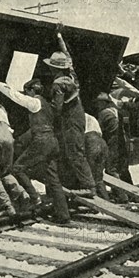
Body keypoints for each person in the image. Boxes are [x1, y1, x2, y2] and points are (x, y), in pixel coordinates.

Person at [0, 70, 71, 224]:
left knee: (17, 168)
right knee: (53, 178)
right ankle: (63, 215)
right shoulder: (48, 105)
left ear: (30, 91)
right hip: (52, 142)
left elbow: (12, 94)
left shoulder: (34, 102)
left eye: (27, 92)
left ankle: (35, 199)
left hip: (42, 141)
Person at [44, 31, 96, 198]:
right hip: (79, 114)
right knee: (76, 150)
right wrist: (59, 37)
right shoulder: (71, 75)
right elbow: (68, 55)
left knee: (75, 153)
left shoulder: (58, 83)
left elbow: (57, 108)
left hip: (70, 118)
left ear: (53, 68)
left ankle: (89, 187)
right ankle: (82, 183)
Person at [94, 92, 130, 203]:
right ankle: (129, 192)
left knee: (111, 170)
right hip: (122, 143)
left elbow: (99, 129)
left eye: (99, 103)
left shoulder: (104, 113)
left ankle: (121, 195)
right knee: (121, 169)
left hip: (112, 144)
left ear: (104, 103)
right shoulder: (116, 112)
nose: (97, 105)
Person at [84, 113, 110, 200]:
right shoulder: (91, 117)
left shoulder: (75, 117)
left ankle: (94, 199)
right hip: (101, 142)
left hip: (90, 142)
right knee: (99, 177)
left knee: (89, 175)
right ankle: (106, 199)